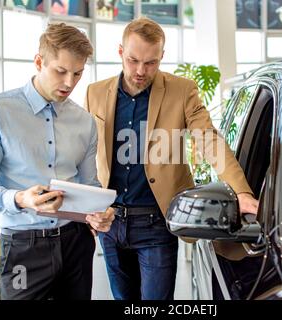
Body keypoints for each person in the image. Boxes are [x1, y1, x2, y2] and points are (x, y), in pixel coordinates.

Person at [84, 17, 258, 300]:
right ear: (120, 52)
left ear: (162, 56)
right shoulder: (95, 92)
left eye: (151, 62)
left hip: (155, 222)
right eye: (133, 60)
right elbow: (85, 152)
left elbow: (208, 139)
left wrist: (240, 191)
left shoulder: (182, 90)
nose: (141, 70)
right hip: (111, 221)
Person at [0, 23, 114, 300]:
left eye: (78, 73)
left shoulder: (84, 121)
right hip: (23, 245)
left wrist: (99, 213)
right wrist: (21, 198)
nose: (70, 82)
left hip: (76, 243)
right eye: (61, 71)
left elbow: (90, 184)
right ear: (39, 62)